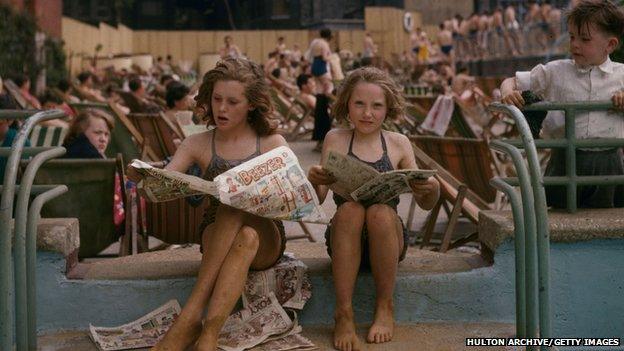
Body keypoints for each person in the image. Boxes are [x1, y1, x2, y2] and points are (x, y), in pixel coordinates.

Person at [129, 57, 288, 351]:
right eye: (216, 99)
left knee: (235, 202)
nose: (222, 108)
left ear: (252, 104)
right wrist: (145, 177)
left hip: (267, 232)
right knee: (241, 230)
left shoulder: (271, 142)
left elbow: (302, 198)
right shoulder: (197, 143)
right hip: (217, 233)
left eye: (232, 101)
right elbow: (165, 183)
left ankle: (189, 319)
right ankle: (209, 335)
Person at [307, 67, 440, 351]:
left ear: (388, 108)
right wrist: (314, 179)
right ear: (347, 105)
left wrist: (431, 189)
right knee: (352, 210)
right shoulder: (336, 139)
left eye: (376, 106)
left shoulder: (398, 143)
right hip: (344, 238)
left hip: (388, 240)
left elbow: (426, 203)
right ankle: (343, 312)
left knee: (379, 211)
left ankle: (384, 305)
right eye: (359, 104)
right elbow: (317, 198)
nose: (367, 113)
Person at [500, 0, 624, 208]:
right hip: (565, 160)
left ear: (610, 45)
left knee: (607, 215)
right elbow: (511, 81)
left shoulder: (621, 75)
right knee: (561, 212)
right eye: (572, 37)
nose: (575, 44)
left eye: (585, 39)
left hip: (608, 163)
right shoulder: (557, 72)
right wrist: (507, 93)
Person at [307, 28, 334, 95]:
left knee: (319, 90)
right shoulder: (324, 44)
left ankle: (319, 105)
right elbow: (324, 58)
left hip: (314, 65)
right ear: (328, 36)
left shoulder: (316, 43)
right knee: (328, 86)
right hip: (321, 66)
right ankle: (325, 104)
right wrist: (331, 57)